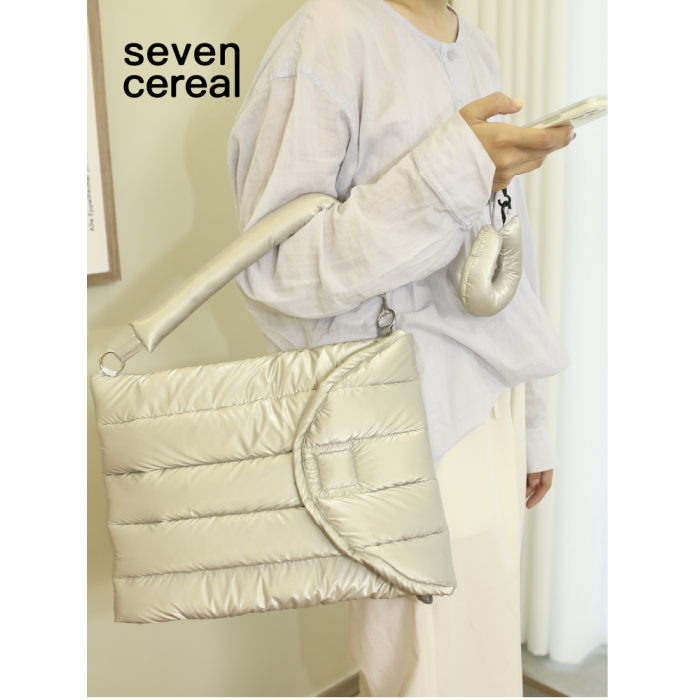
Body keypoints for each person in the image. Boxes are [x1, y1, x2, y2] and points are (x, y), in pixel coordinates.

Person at [228, 0, 573, 696]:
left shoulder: (475, 45)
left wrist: (531, 420)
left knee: (480, 651)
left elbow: (506, 245)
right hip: (402, 416)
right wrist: (451, 173)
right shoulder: (329, 35)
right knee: (423, 666)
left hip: (490, 400)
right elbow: (276, 267)